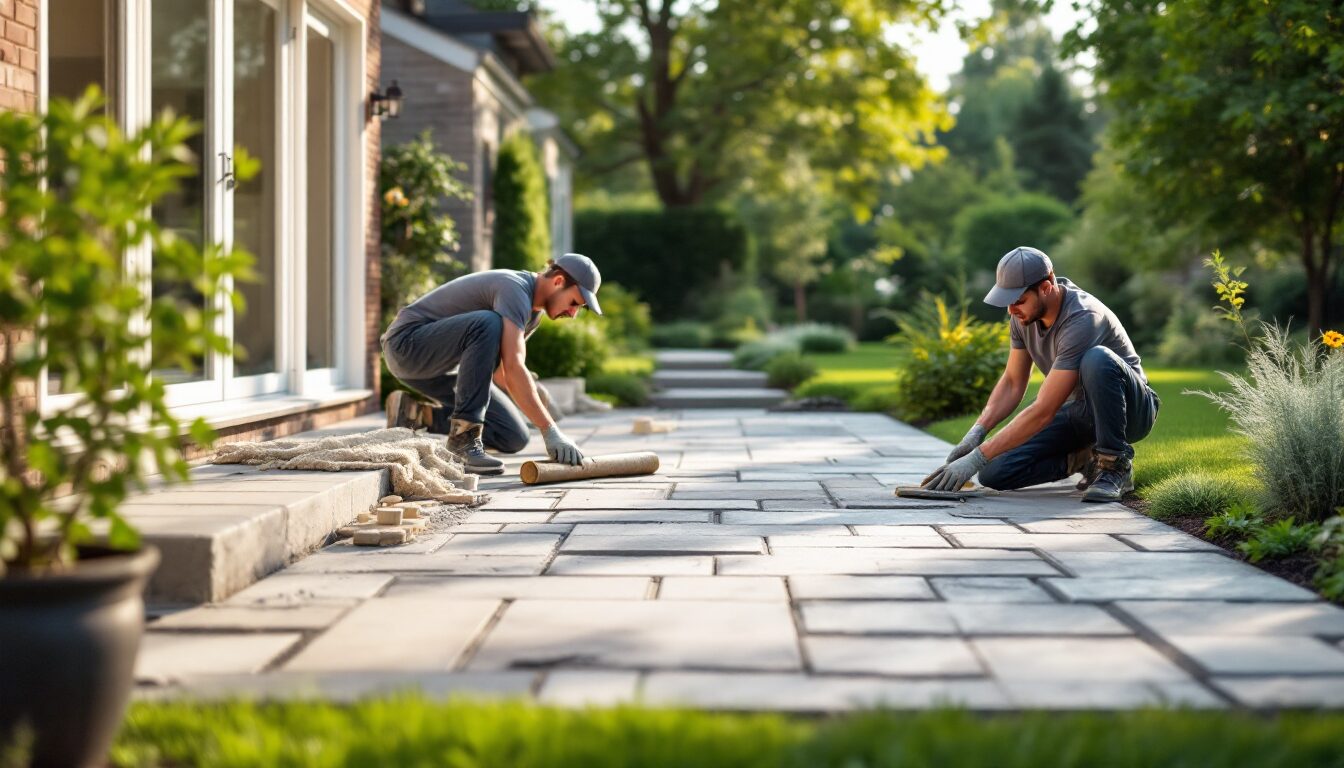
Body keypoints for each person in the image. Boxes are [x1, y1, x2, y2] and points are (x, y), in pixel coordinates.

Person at [922, 246, 1159, 502]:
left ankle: (1115, 466)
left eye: (1018, 300)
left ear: (1046, 287)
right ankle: (1085, 459)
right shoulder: (1022, 318)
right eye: (1008, 302)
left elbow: (1045, 408)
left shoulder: (1083, 316)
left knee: (1097, 358)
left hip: (1131, 410)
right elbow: (1013, 382)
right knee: (994, 473)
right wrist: (977, 433)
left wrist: (976, 457)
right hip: (1080, 413)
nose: (1011, 310)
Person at [380, 253, 603, 476]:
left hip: (441, 369)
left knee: (513, 435)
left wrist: (534, 393)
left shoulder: (533, 315)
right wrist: (550, 430)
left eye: (579, 308)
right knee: (487, 323)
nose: (573, 313)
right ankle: (463, 441)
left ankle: (414, 414)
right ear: (558, 281)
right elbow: (514, 367)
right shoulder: (514, 288)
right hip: (406, 346)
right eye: (574, 303)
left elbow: (502, 374)